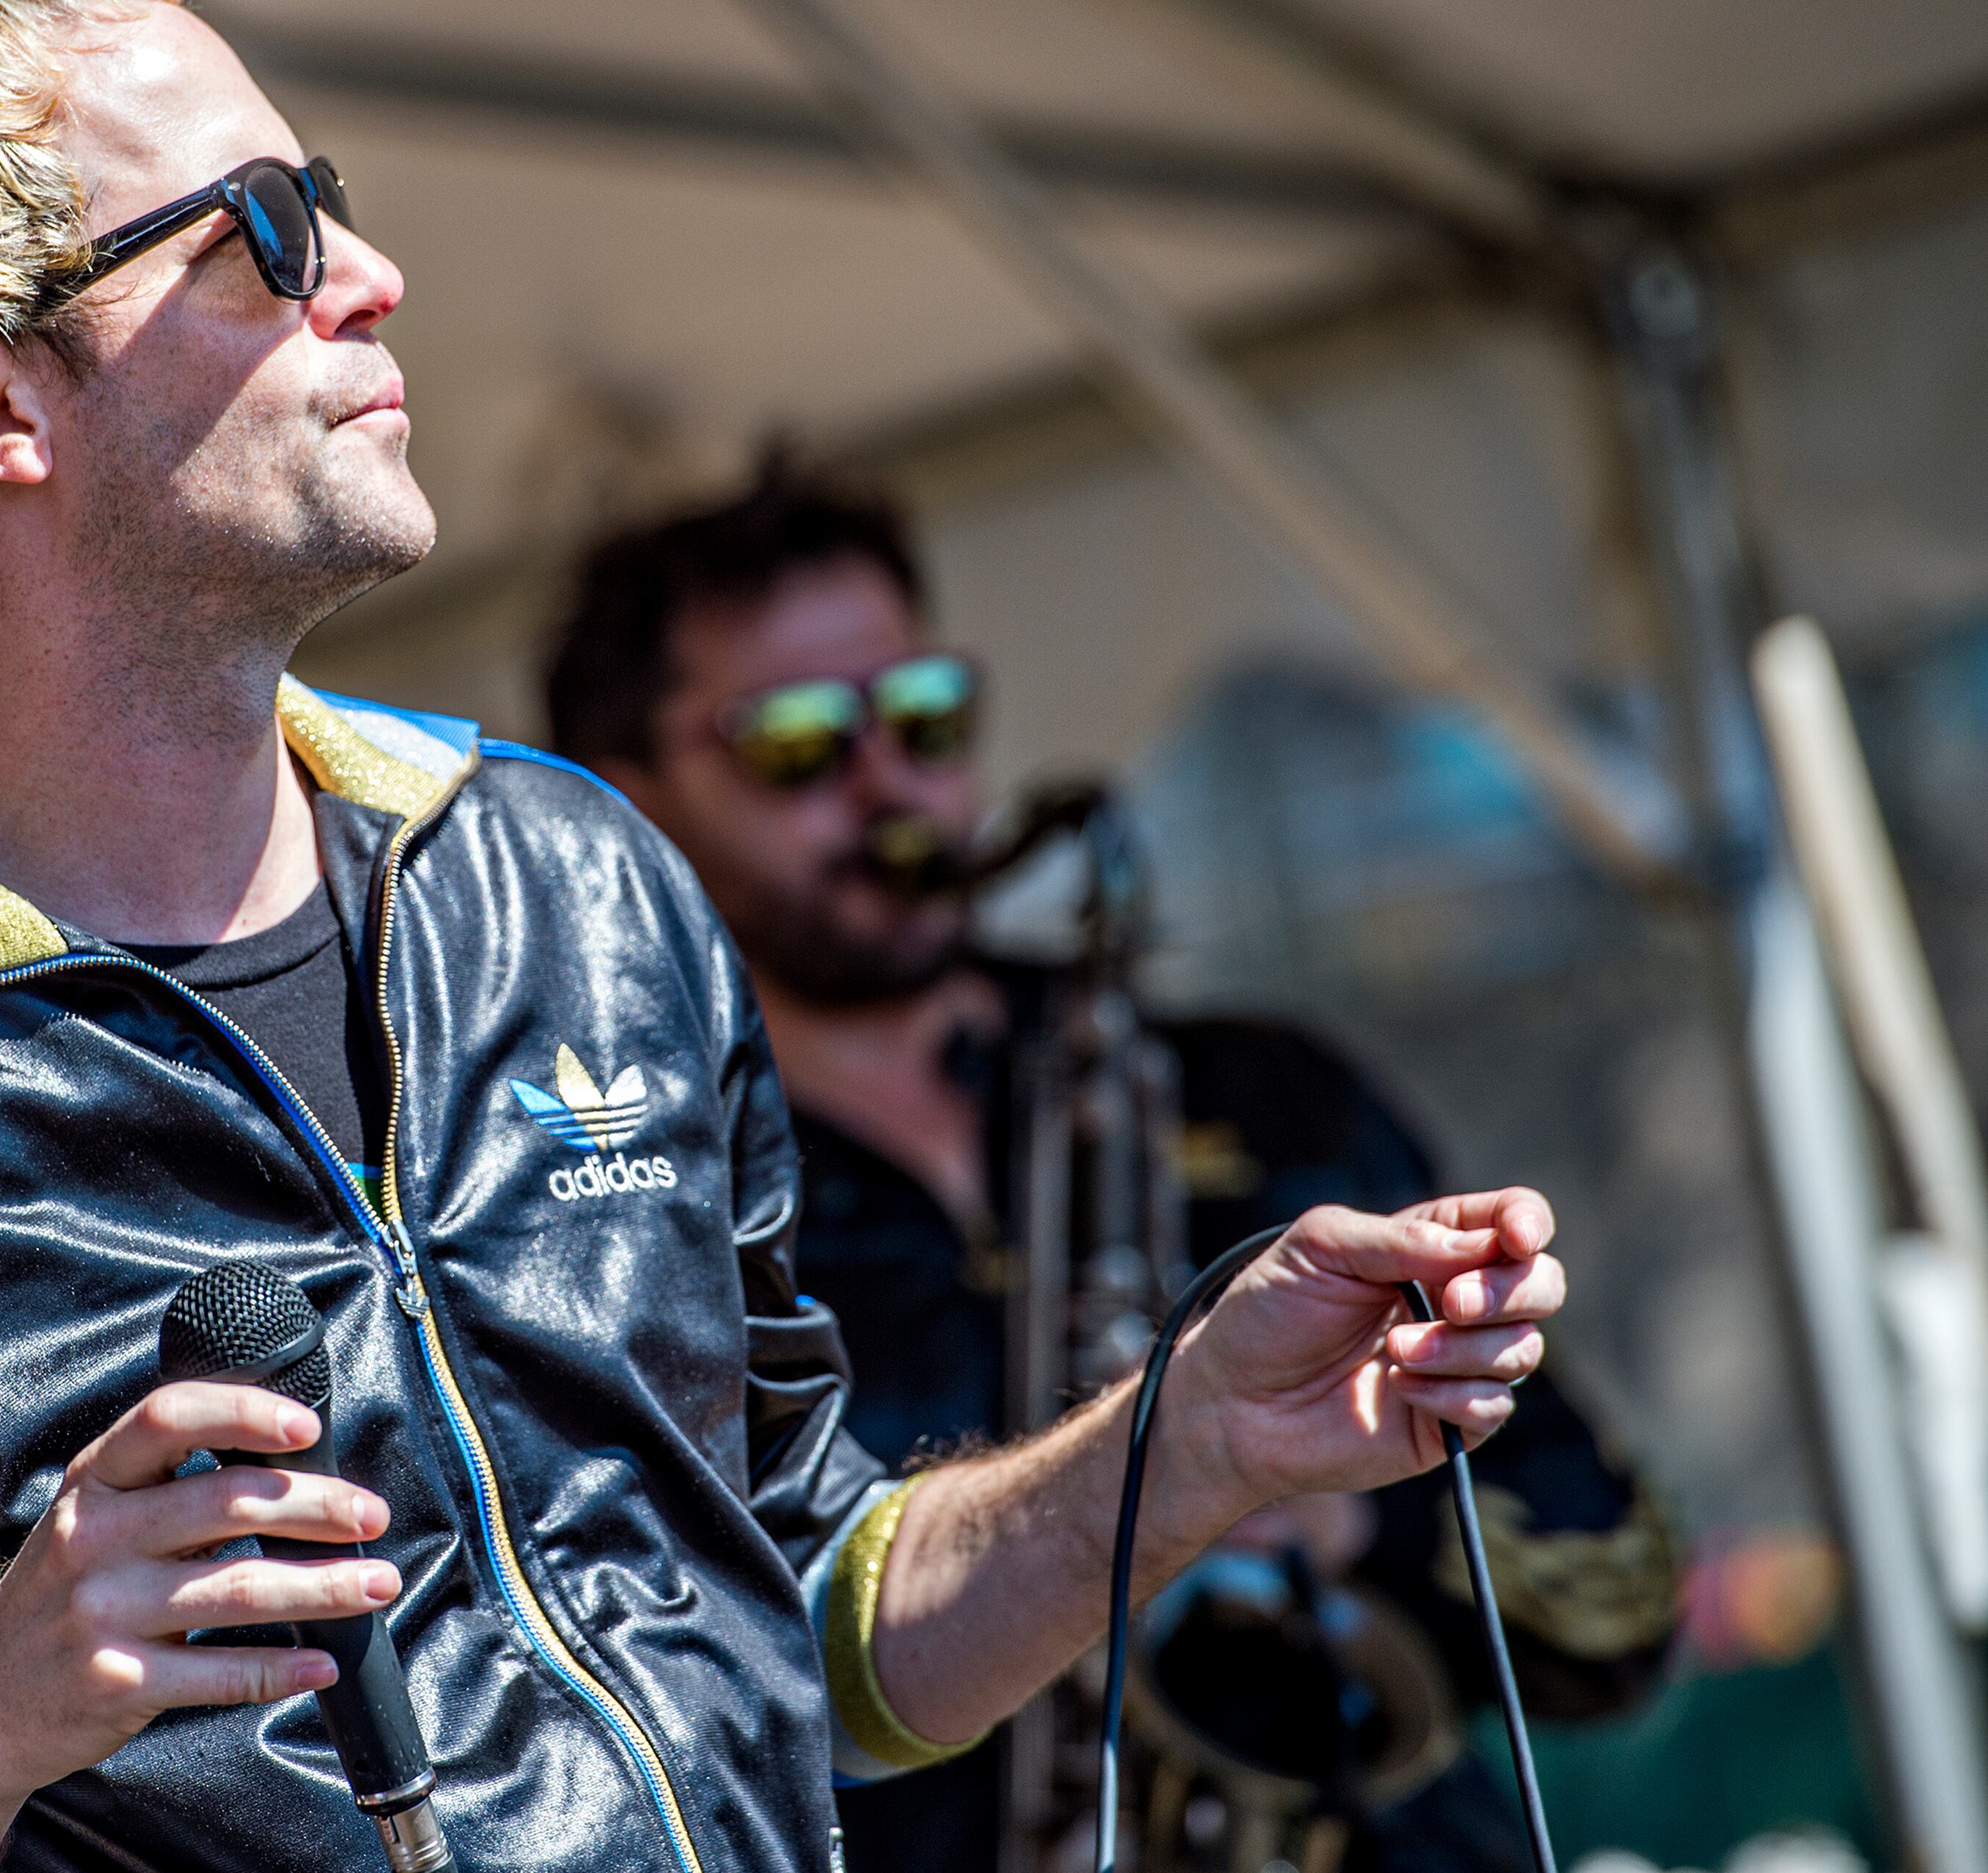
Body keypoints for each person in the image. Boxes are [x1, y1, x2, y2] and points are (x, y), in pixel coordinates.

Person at [0, 10, 1567, 1873]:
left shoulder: (572, 875)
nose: (369, 276)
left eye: (331, 204)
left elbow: (801, 1611)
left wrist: (1184, 1445)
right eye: (261, 232)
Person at [542, 459, 1674, 1873]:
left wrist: (1324, 1511)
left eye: (927, 719)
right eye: (795, 747)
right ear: (620, 803)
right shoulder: (612, 1208)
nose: (892, 784)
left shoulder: (1264, 1100)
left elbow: (1618, 1607)